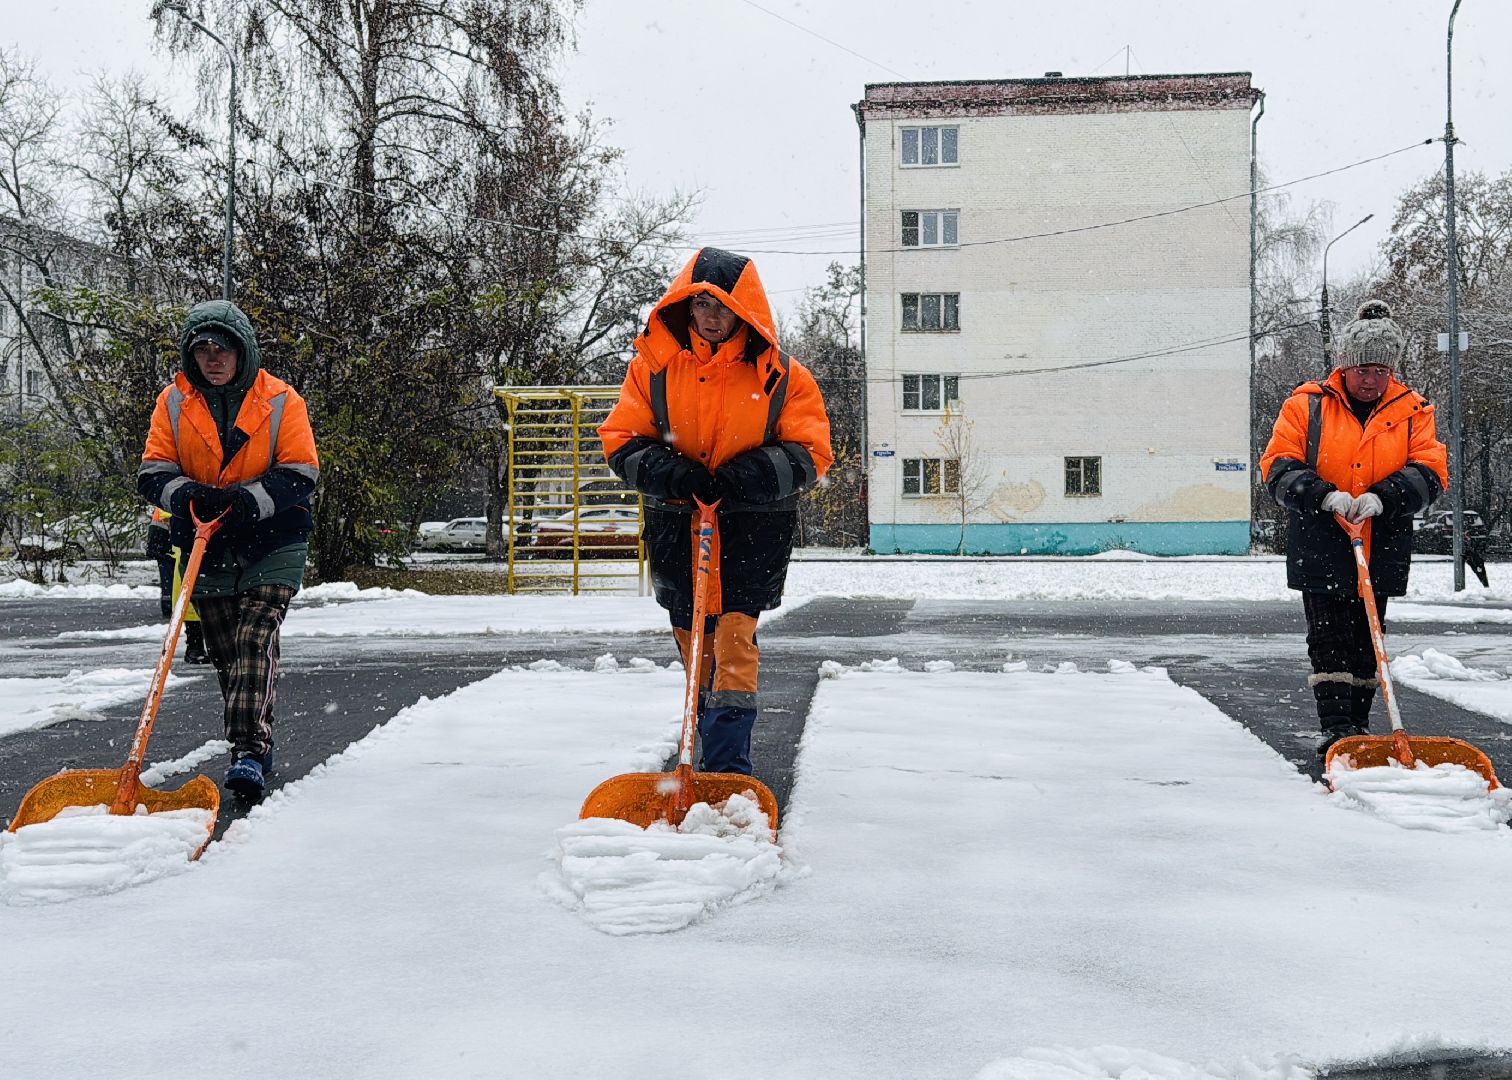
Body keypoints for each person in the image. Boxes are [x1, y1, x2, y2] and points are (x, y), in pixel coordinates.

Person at [599, 247, 833, 776]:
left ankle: (727, 769)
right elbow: (621, 441)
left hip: (751, 534)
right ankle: (697, 761)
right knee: (692, 644)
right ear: (685, 305)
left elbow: (812, 451)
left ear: (743, 311)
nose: (709, 316)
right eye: (700, 303)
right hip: (677, 532)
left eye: (721, 306)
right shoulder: (654, 369)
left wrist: (741, 478)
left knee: (732, 647)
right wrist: (673, 473)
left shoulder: (782, 377)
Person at [137, 300, 320, 800]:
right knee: (225, 653)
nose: (213, 358)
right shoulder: (171, 403)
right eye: (202, 350)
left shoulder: (282, 401)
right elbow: (153, 471)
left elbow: (301, 471)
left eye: (223, 349)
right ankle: (252, 736)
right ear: (190, 355)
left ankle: (248, 752)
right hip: (205, 541)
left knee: (253, 638)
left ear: (243, 351)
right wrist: (188, 496)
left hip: (273, 539)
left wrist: (247, 502)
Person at [1260, 300, 1447, 769]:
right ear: (1346, 364)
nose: (1371, 379)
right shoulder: (1307, 405)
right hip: (1322, 533)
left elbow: (1431, 469)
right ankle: (1335, 730)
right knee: (1328, 637)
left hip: (1382, 535)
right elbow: (1277, 464)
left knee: (1368, 636)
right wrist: (1321, 495)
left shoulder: (1413, 410)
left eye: (1381, 369)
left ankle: (1358, 727)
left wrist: (1386, 497)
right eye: (1364, 368)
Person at [147, 507, 210, 664]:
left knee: (190, 599)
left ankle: (196, 647)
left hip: (188, 545)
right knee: (190, 599)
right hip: (187, 547)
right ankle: (196, 647)